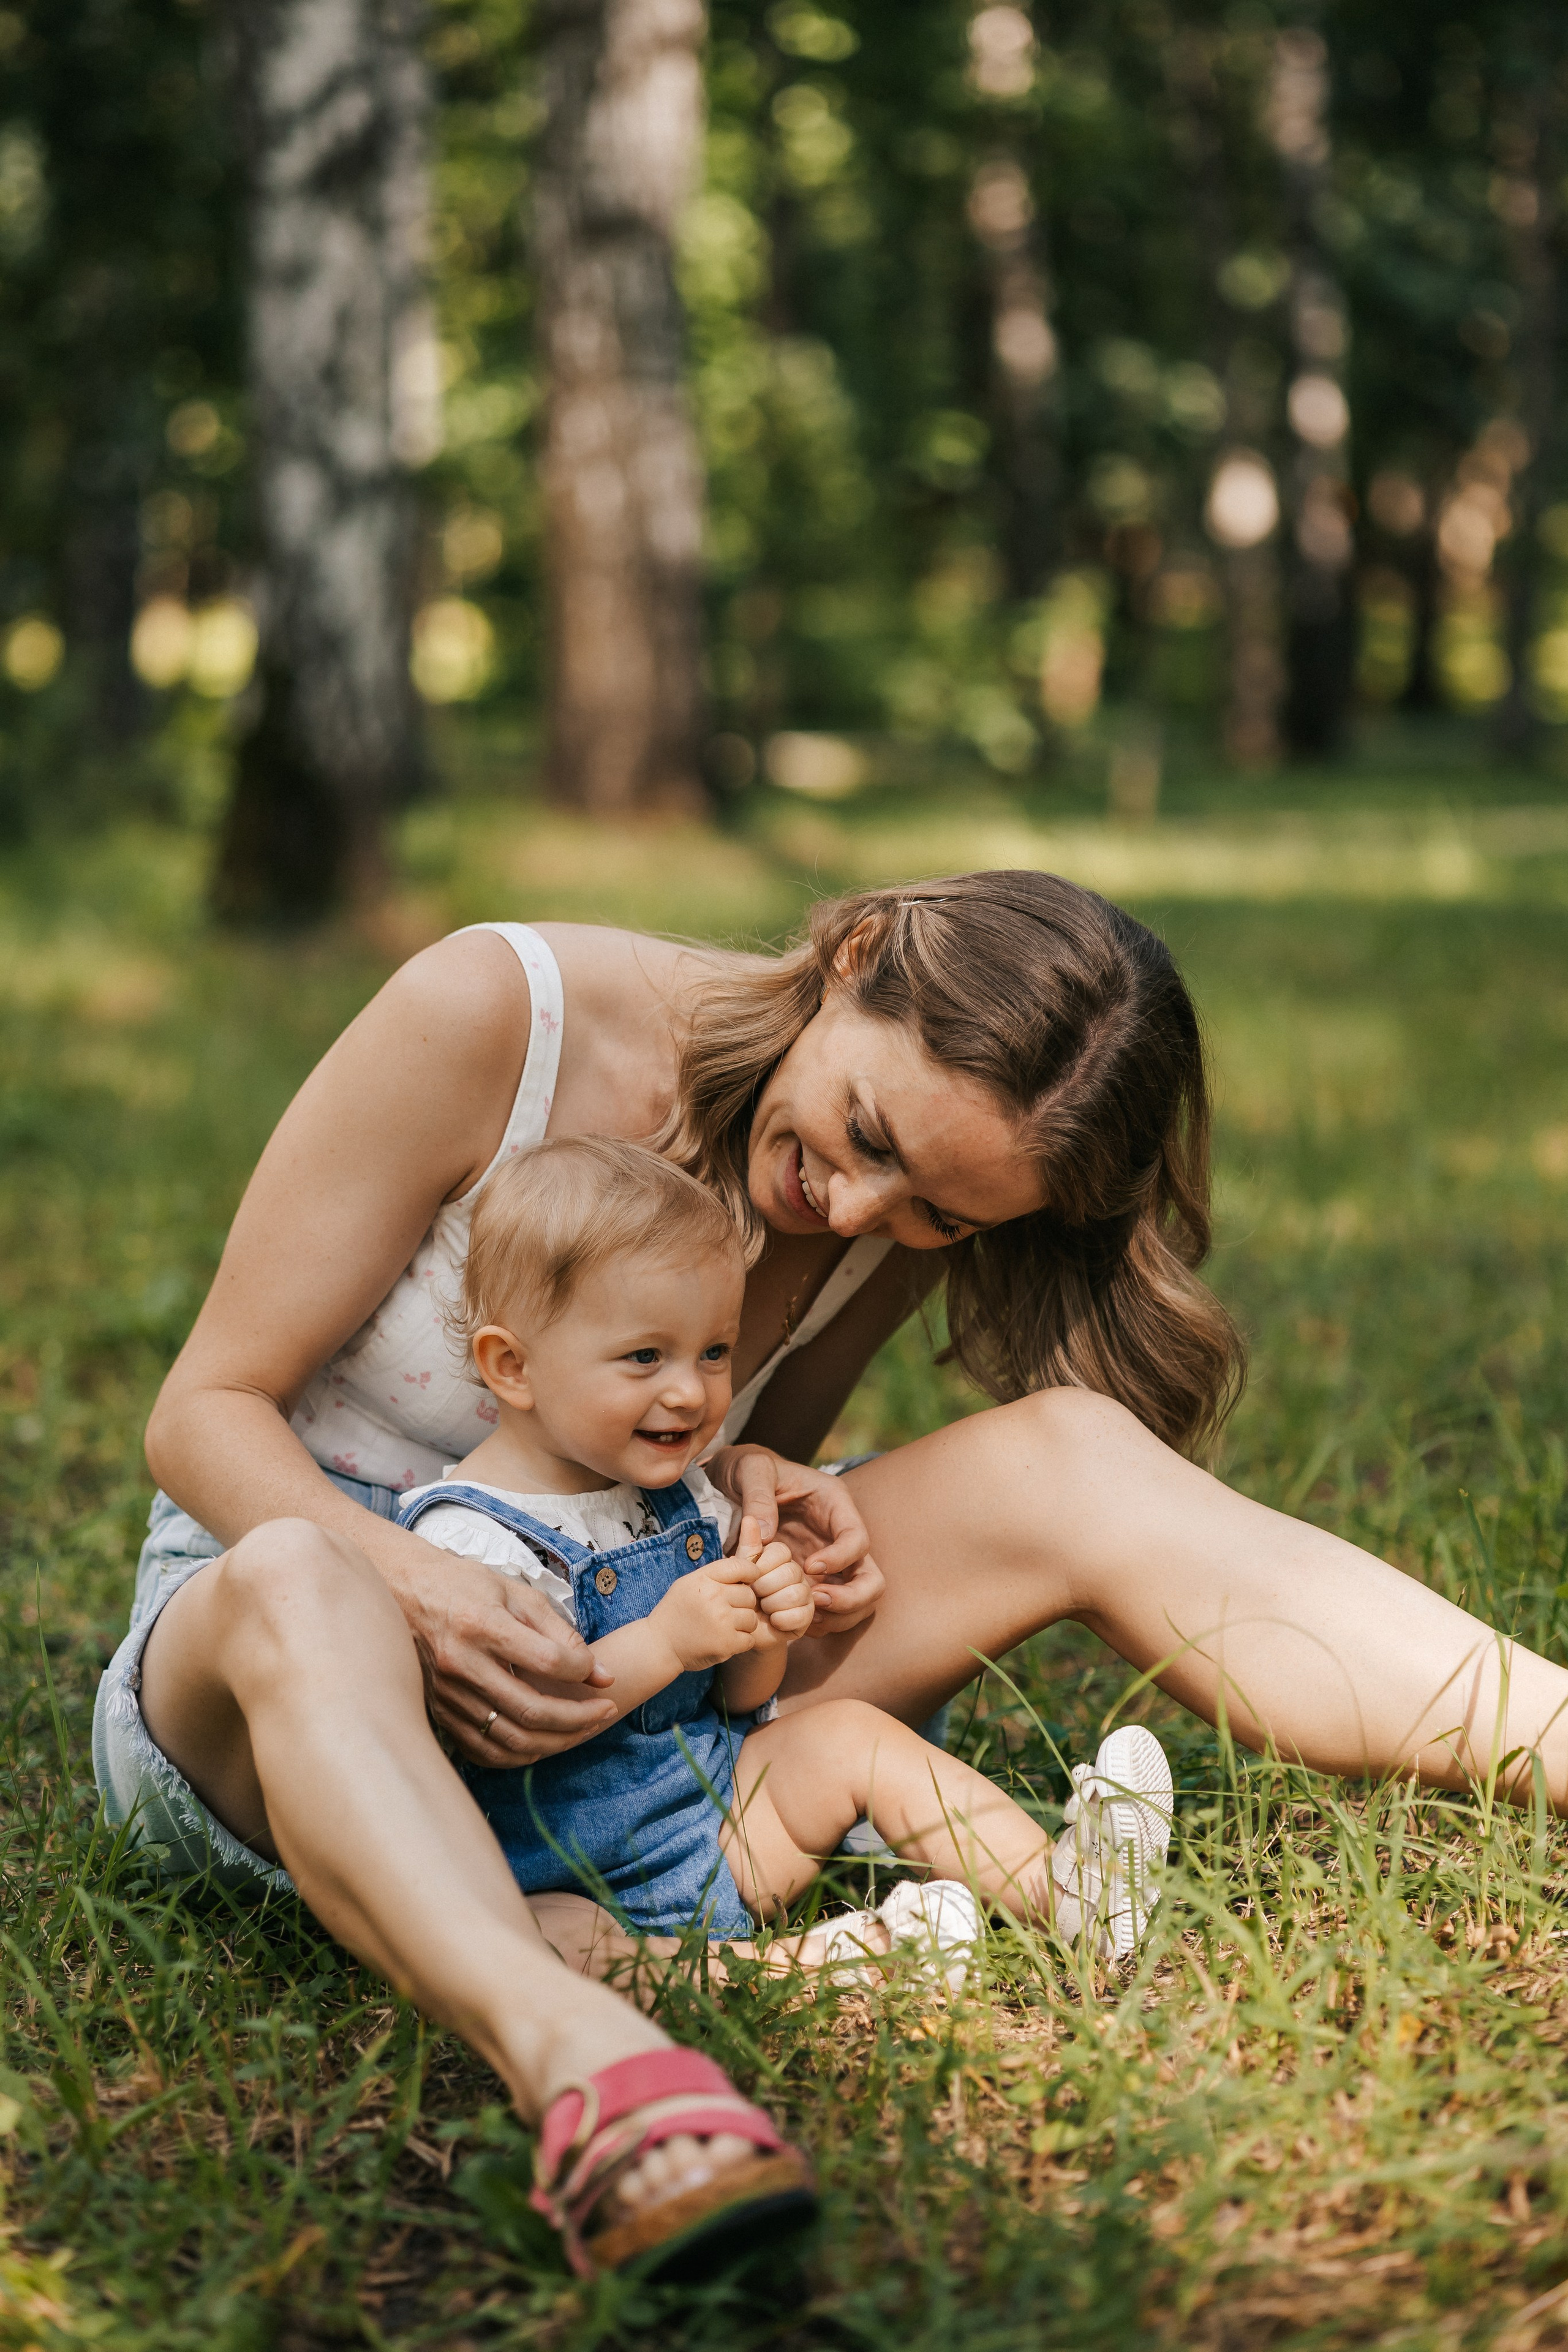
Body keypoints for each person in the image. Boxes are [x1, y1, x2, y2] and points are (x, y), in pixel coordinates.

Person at [94, 872, 1568, 2275]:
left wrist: (758, 1499)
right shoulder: (498, 1012)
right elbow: (200, 1413)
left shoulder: (896, 1204)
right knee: (299, 1574)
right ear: (854, 954)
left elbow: (714, 1463)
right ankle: (584, 2057)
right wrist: (397, 1577)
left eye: (934, 1213)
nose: (854, 1212)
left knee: (1073, 1452)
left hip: (621, 1708)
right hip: (285, 1681)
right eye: (864, 1132)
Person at [394, 1133, 1174, 1966]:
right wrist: (664, 1641)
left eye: (714, 1353)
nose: (690, 1391)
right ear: (512, 1367)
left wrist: (765, 1630)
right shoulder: (469, 1542)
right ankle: (823, 1964)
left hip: (717, 1825)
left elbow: (737, 1701)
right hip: (562, 1876)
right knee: (537, 1944)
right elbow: (507, 1725)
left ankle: (1066, 1898)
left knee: (850, 1736)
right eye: (645, 1357)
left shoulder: (676, 1495)